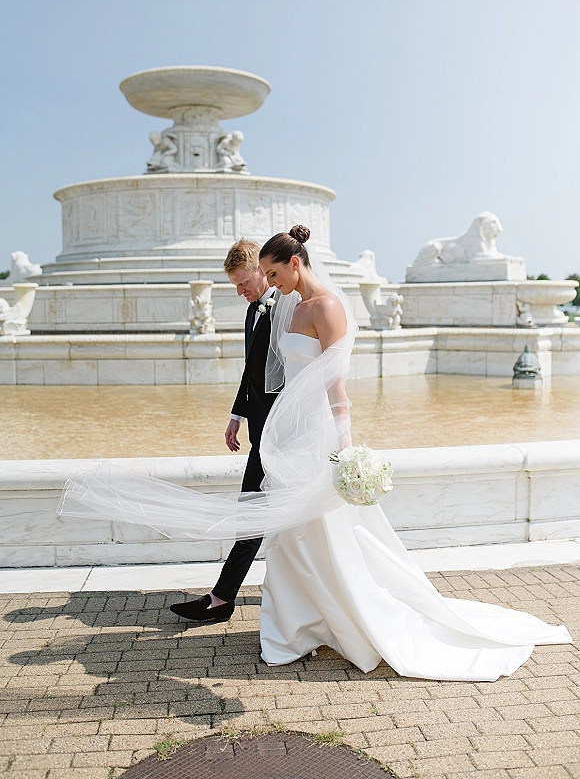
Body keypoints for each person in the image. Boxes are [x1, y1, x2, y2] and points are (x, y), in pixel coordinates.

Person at [58, 225, 572, 681]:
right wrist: (247, 417)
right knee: (289, 532)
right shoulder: (286, 305)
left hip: (316, 436)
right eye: (260, 274)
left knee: (316, 530)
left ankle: (316, 619)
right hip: (284, 434)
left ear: (294, 264)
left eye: (269, 273)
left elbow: (337, 389)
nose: (265, 282)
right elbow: (266, 372)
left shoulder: (326, 307)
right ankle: (293, 625)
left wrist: (345, 451)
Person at [170, 239, 278, 623]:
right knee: (255, 511)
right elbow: (252, 371)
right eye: (233, 285)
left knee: (252, 511)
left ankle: (222, 598)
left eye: (242, 281)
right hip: (260, 431)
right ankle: (228, 596)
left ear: (261, 269)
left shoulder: (284, 308)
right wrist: (238, 414)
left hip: (279, 435)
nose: (239, 291)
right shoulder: (253, 311)